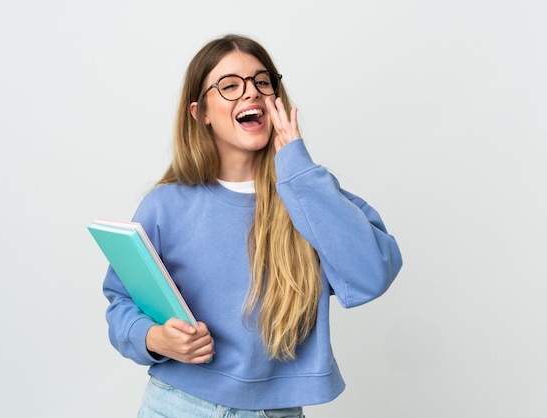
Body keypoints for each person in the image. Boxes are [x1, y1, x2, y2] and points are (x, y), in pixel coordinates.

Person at [103, 34, 402, 418]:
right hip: (174, 405)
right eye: (229, 86)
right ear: (201, 113)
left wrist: (297, 166)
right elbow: (121, 301)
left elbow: (371, 275)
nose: (251, 93)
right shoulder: (165, 204)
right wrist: (153, 337)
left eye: (263, 82)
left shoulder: (310, 194)